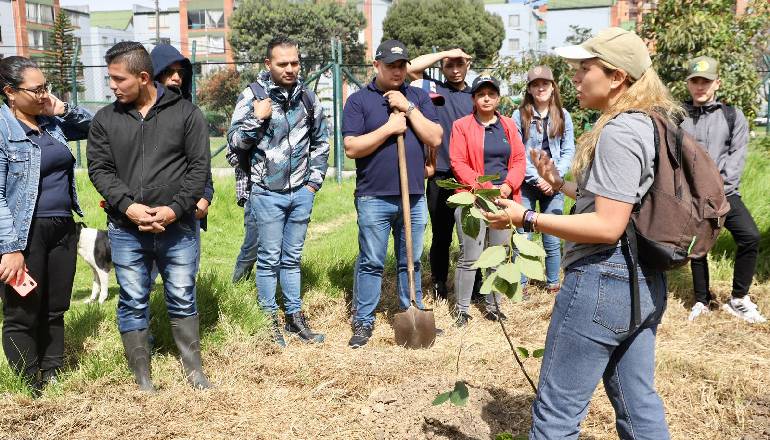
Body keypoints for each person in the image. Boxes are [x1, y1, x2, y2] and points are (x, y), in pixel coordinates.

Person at [485, 28, 676, 438]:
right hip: (642, 283)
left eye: (584, 68)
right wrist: (561, 185)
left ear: (616, 77)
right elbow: (622, 200)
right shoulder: (651, 123)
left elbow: (607, 225)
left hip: (603, 283)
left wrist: (526, 219)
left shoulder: (620, 131)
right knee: (636, 402)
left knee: (555, 415)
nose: (573, 77)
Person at [87, 41, 211, 391]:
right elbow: (99, 169)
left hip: (179, 228)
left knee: (183, 293)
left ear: (143, 77)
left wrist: (174, 210)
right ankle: (143, 378)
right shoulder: (105, 120)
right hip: (127, 230)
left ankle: (194, 371)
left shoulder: (186, 114)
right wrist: (129, 207)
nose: (112, 86)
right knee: (132, 296)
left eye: (118, 79)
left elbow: (199, 168)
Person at [227, 35, 330, 347]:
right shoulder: (252, 96)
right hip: (266, 193)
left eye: (294, 63)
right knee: (269, 257)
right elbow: (234, 143)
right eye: (282, 63)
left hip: (300, 192)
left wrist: (313, 184)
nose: (289, 68)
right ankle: (269, 318)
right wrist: (256, 120)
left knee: (293, 258)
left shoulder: (309, 100)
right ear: (268, 64)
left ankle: (295, 318)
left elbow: (321, 143)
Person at [0, 56, 91, 394]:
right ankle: (27, 381)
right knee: (23, 309)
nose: (43, 95)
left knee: (55, 306)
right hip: (24, 232)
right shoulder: (3, 130)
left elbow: (94, 128)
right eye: (36, 89)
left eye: (45, 88)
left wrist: (62, 108)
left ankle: (52, 371)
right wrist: (10, 249)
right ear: (10, 91)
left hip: (62, 226)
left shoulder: (51, 122)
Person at [343, 39, 442, 349]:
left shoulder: (418, 97)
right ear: (376, 66)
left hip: (412, 196)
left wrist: (408, 109)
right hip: (374, 197)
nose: (398, 71)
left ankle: (413, 308)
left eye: (402, 65)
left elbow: (435, 136)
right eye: (391, 65)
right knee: (371, 260)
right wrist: (389, 127)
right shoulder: (359, 101)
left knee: (410, 260)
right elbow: (351, 148)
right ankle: (364, 320)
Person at [680, 56, 764, 323]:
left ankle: (738, 298)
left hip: (725, 195)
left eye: (706, 81)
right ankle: (702, 300)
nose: (700, 86)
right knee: (699, 248)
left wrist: (719, 193)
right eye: (695, 81)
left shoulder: (732, 115)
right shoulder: (678, 116)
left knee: (750, 237)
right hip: (693, 196)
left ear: (717, 83)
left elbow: (736, 157)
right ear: (688, 84)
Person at [449, 75, 525, 326]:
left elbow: (518, 160)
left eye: (491, 94)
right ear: (473, 98)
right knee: (470, 256)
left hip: (504, 199)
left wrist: (507, 185)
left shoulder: (508, 126)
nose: (486, 98)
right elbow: (458, 162)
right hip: (474, 199)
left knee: (498, 255)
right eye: (481, 94)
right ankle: (461, 310)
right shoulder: (461, 126)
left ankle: (494, 306)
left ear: (498, 98)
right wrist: (485, 187)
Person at [407, 48, 475, 299]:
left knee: (471, 234)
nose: (455, 70)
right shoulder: (434, 89)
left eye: (460, 64)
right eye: (449, 65)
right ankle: (439, 283)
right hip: (441, 173)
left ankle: (474, 285)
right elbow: (411, 68)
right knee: (441, 234)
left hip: (470, 176)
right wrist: (445, 52)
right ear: (442, 68)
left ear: (468, 64)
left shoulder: (476, 94)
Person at [150, 43, 215, 267]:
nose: (176, 77)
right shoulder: (138, 115)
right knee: (145, 283)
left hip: (187, 209)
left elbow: (201, 161)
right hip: (150, 211)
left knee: (184, 282)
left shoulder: (190, 113)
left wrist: (206, 196)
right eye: (169, 71)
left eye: (180, 72)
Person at [512, 65, 575, 294]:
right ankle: (521, 284)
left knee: (552, 232)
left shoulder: (563, 115)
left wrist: (554, 178)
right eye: (535, 84)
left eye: (545, 84)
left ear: (552, 87)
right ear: (529, 89)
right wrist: (536, 177)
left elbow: (569, 150)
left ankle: (552, 283)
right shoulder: (519, 116)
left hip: (553, 184)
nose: (541, 88)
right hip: (528, 184)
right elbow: (517, 151)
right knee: (524, 233)